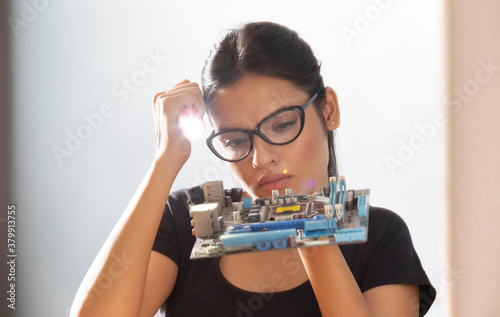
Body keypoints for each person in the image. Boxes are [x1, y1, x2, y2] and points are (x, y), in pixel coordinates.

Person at [70, 21, 436, 317]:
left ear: (328, 111)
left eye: (281, 125)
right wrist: (165, 159)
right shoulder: (187, 223)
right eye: (234, 141)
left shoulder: (381, 238)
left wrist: (309, 228)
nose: (260, 159)